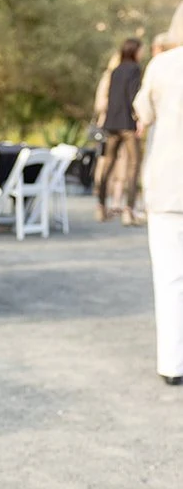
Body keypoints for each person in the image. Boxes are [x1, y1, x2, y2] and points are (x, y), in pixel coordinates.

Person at [134, 25, 183, 384]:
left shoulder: (162, 65)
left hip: (169, 181)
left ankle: (172, 364)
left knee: (170, 276)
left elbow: (143, 114)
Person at [96, 38, 143, 224]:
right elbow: (133, 96)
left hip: (112, 123)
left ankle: (100, 206)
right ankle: (128, 210)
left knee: (107, 164)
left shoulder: (115, 71)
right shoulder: (134, 69)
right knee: (133, 165)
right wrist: (138, 118)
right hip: (127, 124)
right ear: (135, 51)